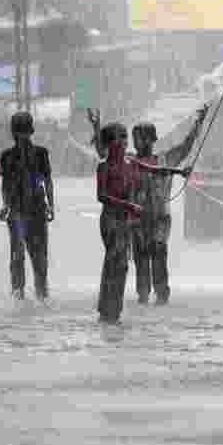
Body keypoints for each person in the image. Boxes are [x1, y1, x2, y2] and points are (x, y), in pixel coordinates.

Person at [94, 122, 191, 324]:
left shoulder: (138, 163)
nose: (130, 142)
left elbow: (160, 166)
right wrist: (128, 206)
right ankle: (112, 307)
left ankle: (118, 307)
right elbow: (102, 191)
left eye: (130, 138)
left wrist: (179, 171)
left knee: (134, 260)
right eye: (126, 138)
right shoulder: (114, 164)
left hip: (144, 218)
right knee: (123, 261)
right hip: (123, 220)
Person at [128, 104, 209, 305]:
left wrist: (198, 124)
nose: (137, 141)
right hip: (137, 219)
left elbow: (185, 147)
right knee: (141, 258)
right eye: (134, 137)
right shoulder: (128, 161)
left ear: (150, 139)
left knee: (158, 252)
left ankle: (162, 294)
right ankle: (143, 295)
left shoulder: (165, 158)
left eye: (139, 137)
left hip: (160, 218)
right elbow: (105, 155)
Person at [0, 111, 55, 301]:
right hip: (16, 212)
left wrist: (51, 205)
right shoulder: (7, 156)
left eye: (24, 131)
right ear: (14, 133)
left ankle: (42, 294)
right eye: (18, 131)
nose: (22, 136)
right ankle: (18, 295)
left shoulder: (40, 154)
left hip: (37, 210)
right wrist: (5, 204)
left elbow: (47, 181)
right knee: (17, 255)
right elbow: (5, 184)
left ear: (30, 131)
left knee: (39, 258)